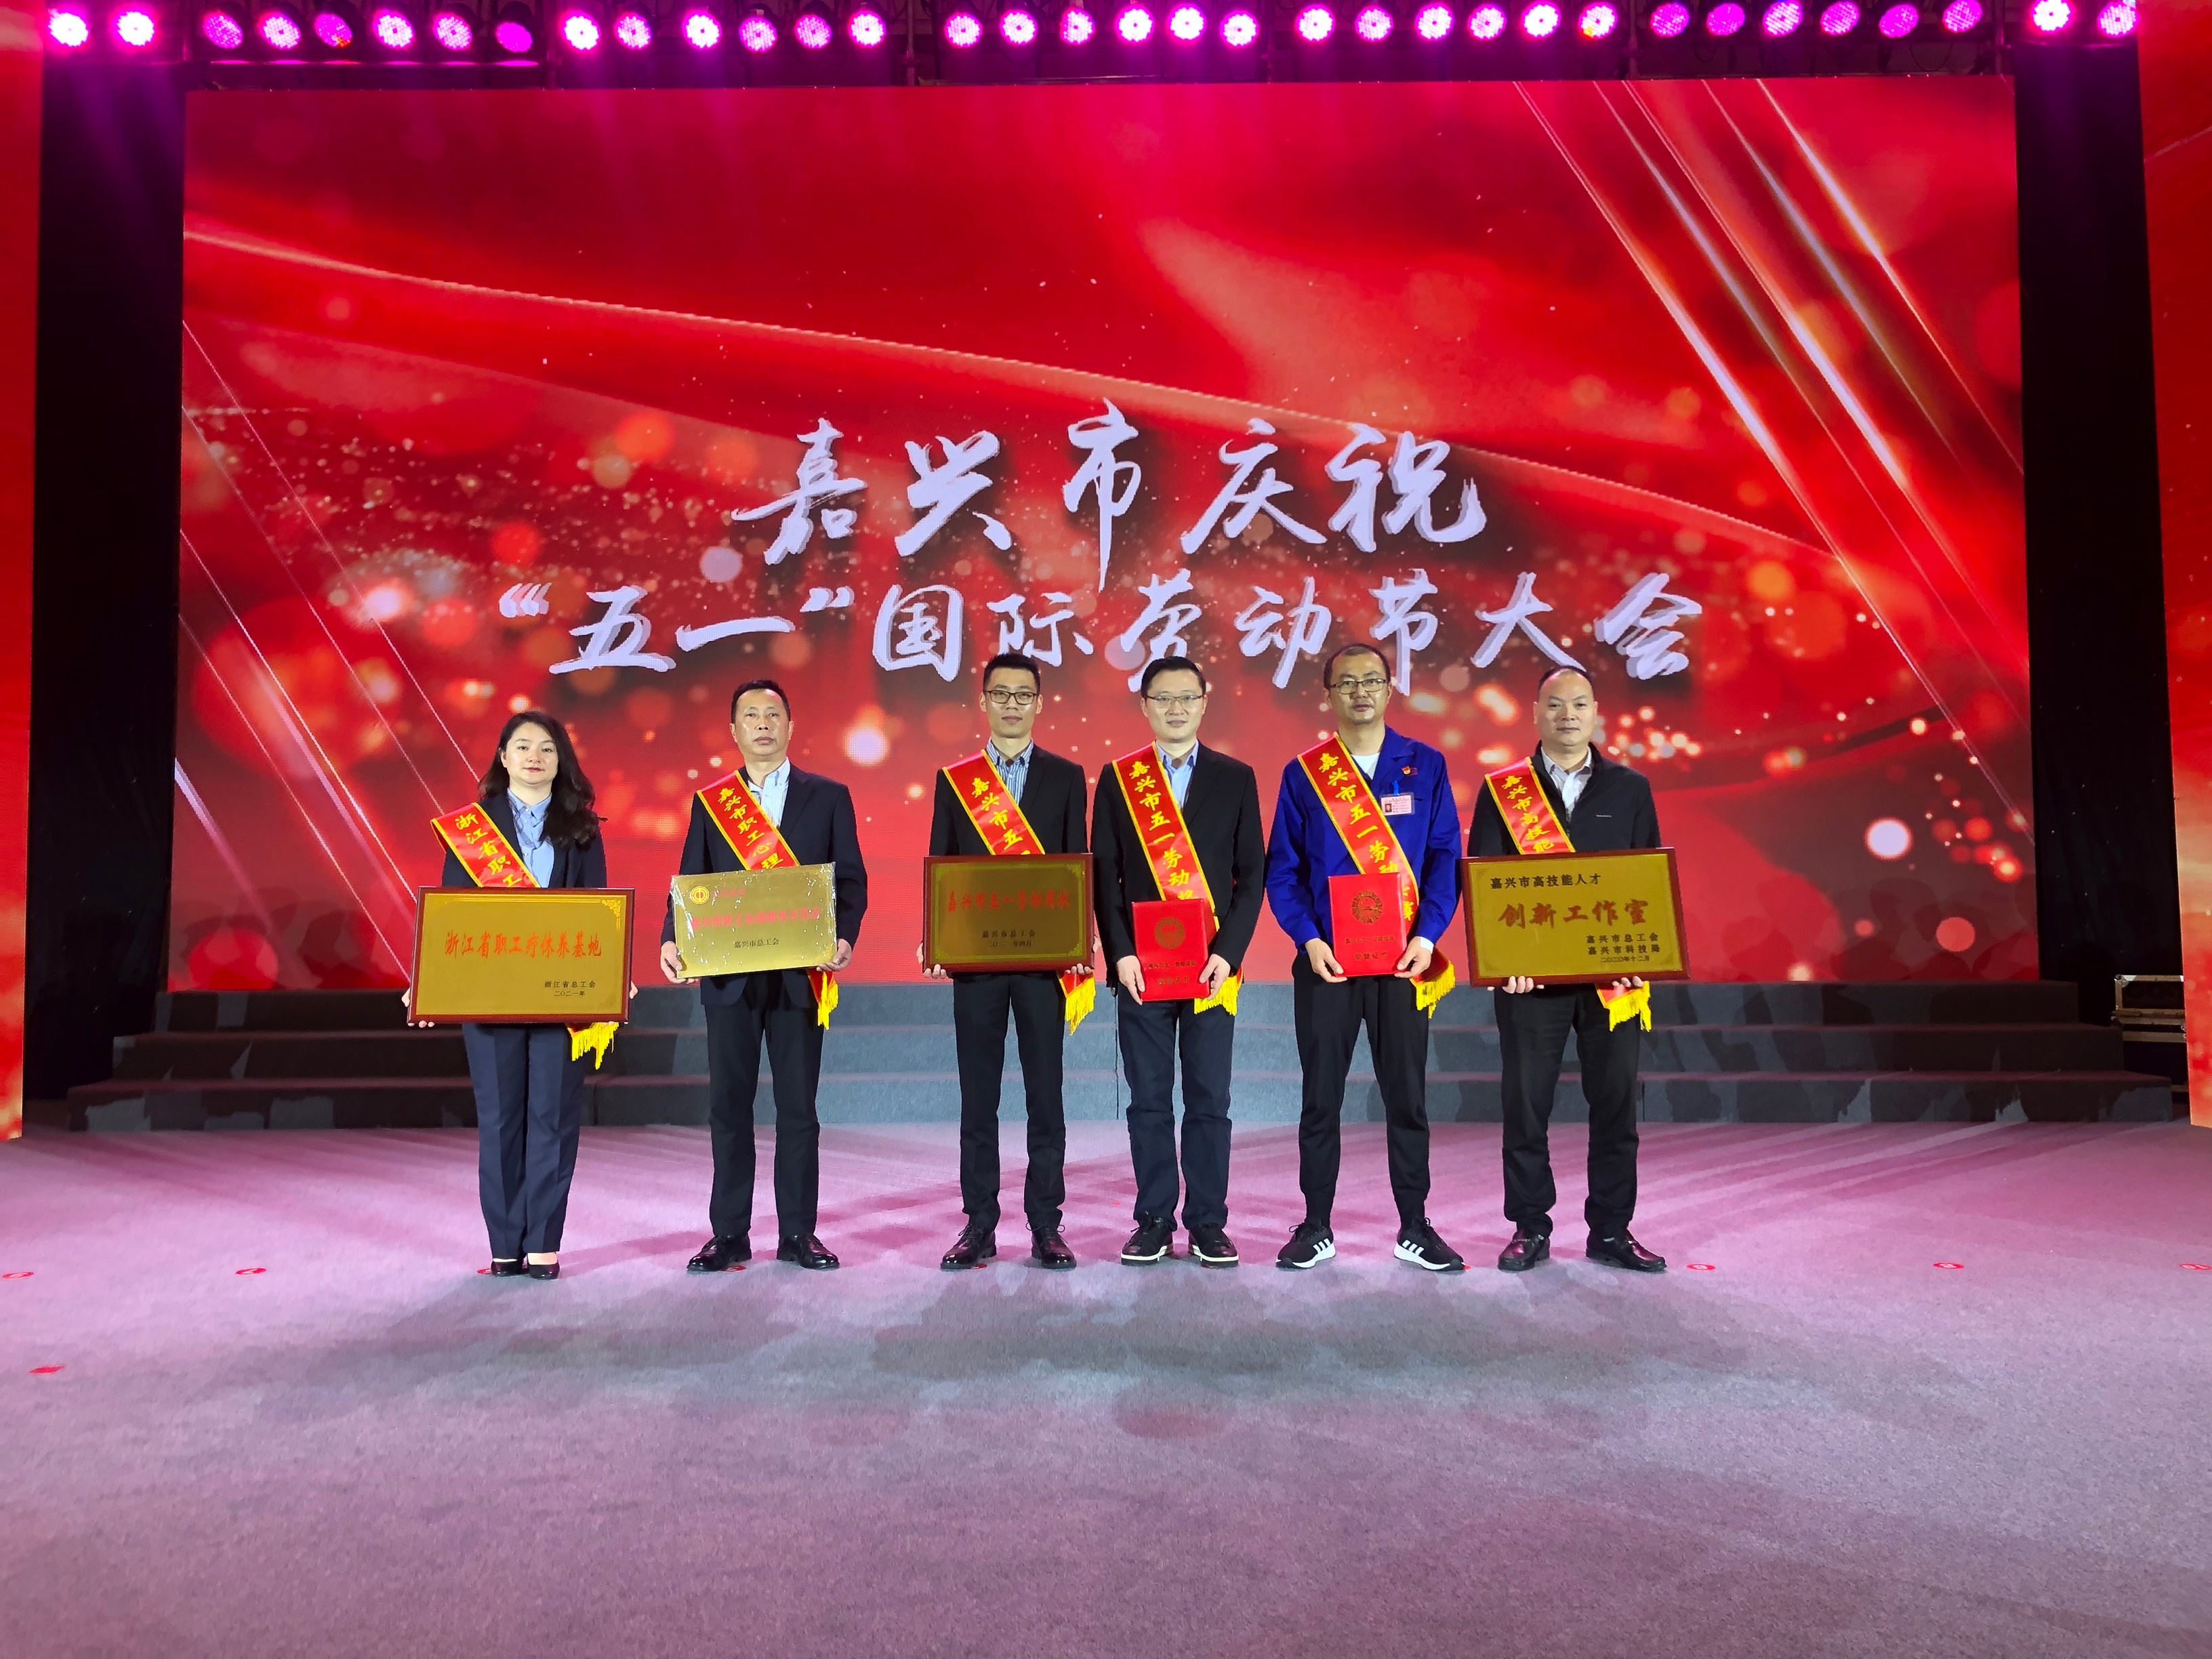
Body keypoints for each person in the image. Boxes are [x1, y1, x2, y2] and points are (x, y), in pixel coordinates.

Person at [1263, 643, 1466, 1272]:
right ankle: (1315, 1224)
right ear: (1328, 694)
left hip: (1405, 962)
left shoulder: (1425, 765)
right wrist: (1308, 939)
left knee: (1407, 1097)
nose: (1360, 692)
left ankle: (1415, 1225)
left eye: (1371, 680)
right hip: (1328, 963)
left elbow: (1443, 858)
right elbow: (1283, 870)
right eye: (1347, 682)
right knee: (1320, 1097)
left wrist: (1427, 937)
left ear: (1389, 688)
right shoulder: (1305, 774)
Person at [1469, 665, 1666, 1275]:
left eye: (1579, 704)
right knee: (1526, 1105)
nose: (1568, 715)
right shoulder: (1503, 790)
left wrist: (1641, 959)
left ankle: (1611, 1229)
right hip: (1531, 982)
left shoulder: (1630, 789)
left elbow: (1647, 880)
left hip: (1612, 980)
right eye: (1555, 704)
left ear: (1596, 712)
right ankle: (1530, 1226)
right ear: (1536, 713)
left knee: (1616, 1107)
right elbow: (1485, 884)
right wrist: (1506, 963)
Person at [666, 679, 867, 1275]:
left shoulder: (827, 796)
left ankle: (799, 1233)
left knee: (798, 1109)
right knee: (729, 1109)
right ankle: (729, 1234)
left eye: (772, 714)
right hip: (729, 978)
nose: (761, 723)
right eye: (750, 715)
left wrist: (843, 936)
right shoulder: (712, 804)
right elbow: (690, 881)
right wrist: (671, 939)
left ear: (790, 726)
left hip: (799, 976)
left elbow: (850, 880)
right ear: (734, 730)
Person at [1091, 657, 1267, 1268]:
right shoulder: (1120, 779)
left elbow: (1252, 877)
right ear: (1144, 705)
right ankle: (1154, 1220)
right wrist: (1120, 953)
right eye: (1162, 698)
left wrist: (1229, 954)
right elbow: (1105, 877)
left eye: (1186, 697)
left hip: (1211, 970)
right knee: (1148, 1100)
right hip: (1142, 971)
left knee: (1209, 1099)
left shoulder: (1235, 778)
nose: (1175, 708)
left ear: (1204, 703)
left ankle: (1209, 1223)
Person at [925, 651, 1090, 1271]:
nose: (1012, 704)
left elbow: (1077, 866)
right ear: (984, 701)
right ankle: (979, 1225)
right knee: (979, 1101)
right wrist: (935, 936)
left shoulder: (1067, 776)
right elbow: (942, 864)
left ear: (1039, 703)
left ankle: (1047, 1224)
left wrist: (1081, 944)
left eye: (1024, 694)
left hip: (1045, 966)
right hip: (978, 965)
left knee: (1047, 1097)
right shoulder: (956, 780)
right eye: (1001, 693)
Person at [435, 712, 606, 1282]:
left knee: (553, 1118)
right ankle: (505, 1244)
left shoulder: (583, 828)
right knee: (501, 1120)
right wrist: (432, 980)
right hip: (490, 996)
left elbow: (599, 912)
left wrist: (610, 974)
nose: (535, 756)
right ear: (503, 757)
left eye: (548, 748)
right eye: (524, 746)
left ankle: (544, 1243)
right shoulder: (472, 830)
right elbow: (453, 914)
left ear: (561, 762)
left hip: (562, 996)